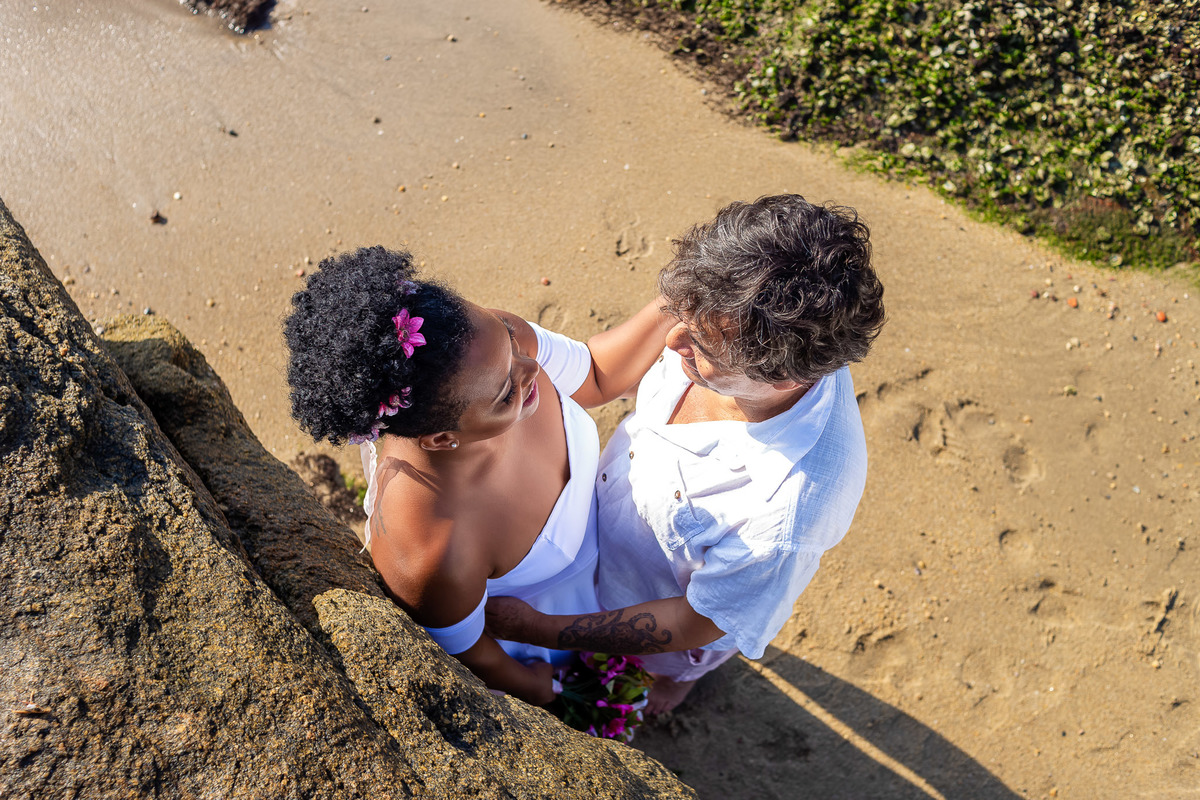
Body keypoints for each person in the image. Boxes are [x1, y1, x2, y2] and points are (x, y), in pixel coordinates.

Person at [486, 194, 887, 713]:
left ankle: (673, 690)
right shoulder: (722, 298)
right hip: (602, 555)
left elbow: (695, 620)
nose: (671, 339)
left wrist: (542, 628)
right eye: (680, 313)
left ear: (786, 377)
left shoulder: (785, 513)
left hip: (654, 607)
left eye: (703, 349)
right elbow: (600, 373)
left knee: (662, 682)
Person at [284, 246, 673, 705]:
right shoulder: (432, 552)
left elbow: (595, 374)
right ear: (441, 439)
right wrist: (538, 688)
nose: (532, 368)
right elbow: (472, 652)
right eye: (507, 393)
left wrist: (676, 302)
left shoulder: (486, 350)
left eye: (511, 341)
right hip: (546, 619)